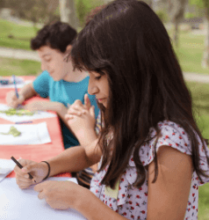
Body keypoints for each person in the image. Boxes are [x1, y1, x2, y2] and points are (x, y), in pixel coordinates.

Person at [14, 1, 209, 219]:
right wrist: (45, 167)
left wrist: (80, 199)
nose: (90, 88)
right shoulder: (129, 119)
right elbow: (89, 153)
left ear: (134, 72)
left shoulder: (168, 147)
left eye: (98, 76)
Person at [5, 21, 99, 151]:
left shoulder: (93, 89)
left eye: (48, 59)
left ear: (68, 52)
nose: (44, 67)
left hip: (78, 157)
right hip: (52, 144)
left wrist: (59, 108)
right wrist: (20, 95)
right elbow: (32, 87)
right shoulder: (53, 75)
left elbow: (93, 142)